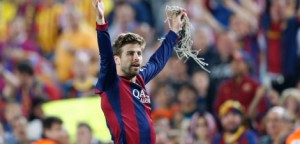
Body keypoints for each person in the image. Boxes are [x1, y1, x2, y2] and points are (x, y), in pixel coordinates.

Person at [92, 0, 184, 143]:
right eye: (130, 54)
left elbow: (157, 61)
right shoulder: (111, 83)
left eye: (139, 53)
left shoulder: (140, 78)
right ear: (117, 60)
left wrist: (173, 32)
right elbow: (105, 57)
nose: (136, 58)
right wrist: (101, 21)